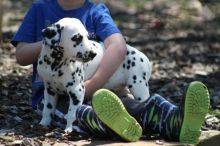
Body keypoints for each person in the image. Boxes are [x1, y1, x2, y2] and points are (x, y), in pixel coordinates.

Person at [11, 0, 210, 144]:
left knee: (130, 106)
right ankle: (132, 124)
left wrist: (92, 85)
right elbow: (21, 56)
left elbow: (118, 47)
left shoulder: (95, 11)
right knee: (81, 114)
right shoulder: (39, 9)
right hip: (53, 100)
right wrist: (53, 41)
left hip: (100, 93)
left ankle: (174, 118)